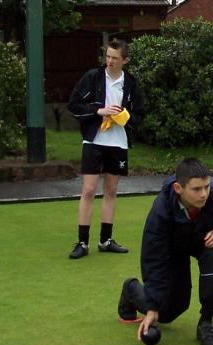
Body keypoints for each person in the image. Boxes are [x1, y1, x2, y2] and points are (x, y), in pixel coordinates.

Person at [117, 158, 213, 345]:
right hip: (173, 249)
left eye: (206, 187)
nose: (204, 194)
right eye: (197, 189)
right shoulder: (160, 213)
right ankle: (131, 289)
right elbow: (154, 259)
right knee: (168, 312)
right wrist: (152, 307)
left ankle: (206, 322)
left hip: (204, 240)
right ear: (178, 188)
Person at [67, 39, 144, 259]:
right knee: (89, 190)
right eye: (108, 56)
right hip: (94, 141)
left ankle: (105, 240)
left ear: (125, 60)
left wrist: (125, 118)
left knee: (111, 190)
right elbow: (74, 105)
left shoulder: (130, 83)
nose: (109, 61)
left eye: (115, 58)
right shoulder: (92, 77)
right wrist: (99, 111)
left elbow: (139, 114)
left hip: (118, 142)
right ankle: (82, 242)